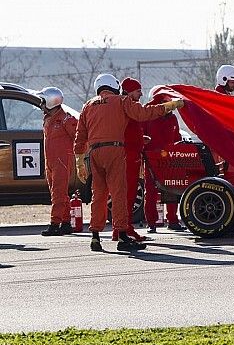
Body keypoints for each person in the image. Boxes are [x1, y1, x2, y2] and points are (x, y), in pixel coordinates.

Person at [74, 73, 184, 253]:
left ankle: (95, 236)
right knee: (119, 193)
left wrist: (79, 161)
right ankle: (123, 235)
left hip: (94, 153)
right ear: (114, 86)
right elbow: (144, 114)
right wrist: (169, 106)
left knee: (99, 195)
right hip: (115, 150)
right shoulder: (121, 101)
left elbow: (80, 135)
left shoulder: (88, 105)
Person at [142, 86, 185, 233]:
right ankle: (152, 222)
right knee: (151, 190)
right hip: (152, 158)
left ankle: (172, 220)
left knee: (172, 188)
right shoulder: (148, 115)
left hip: (169, 158)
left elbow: (177, 137)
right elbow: (142, 136)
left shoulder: (172, 117)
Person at [37, 87, 78, 236]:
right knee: (59, 192)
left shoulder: (67, 119)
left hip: (62, 161)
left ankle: (55, 224)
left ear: (51, 101)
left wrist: (77, 155)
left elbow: (78, 137)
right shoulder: (48, 118)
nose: (41, 104)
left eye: (43, 101)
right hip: (51, 161)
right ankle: (66, 222)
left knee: (58, 193)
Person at [116, 78, 147, 242]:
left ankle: (120, 229)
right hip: (128, 156)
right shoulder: (128, 106)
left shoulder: (126, 106)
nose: (141, 93)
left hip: (131, 153)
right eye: (137, 91)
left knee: (126, 193)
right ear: (128, 91)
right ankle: (125, 228)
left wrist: (141, 139)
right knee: (128, 194)